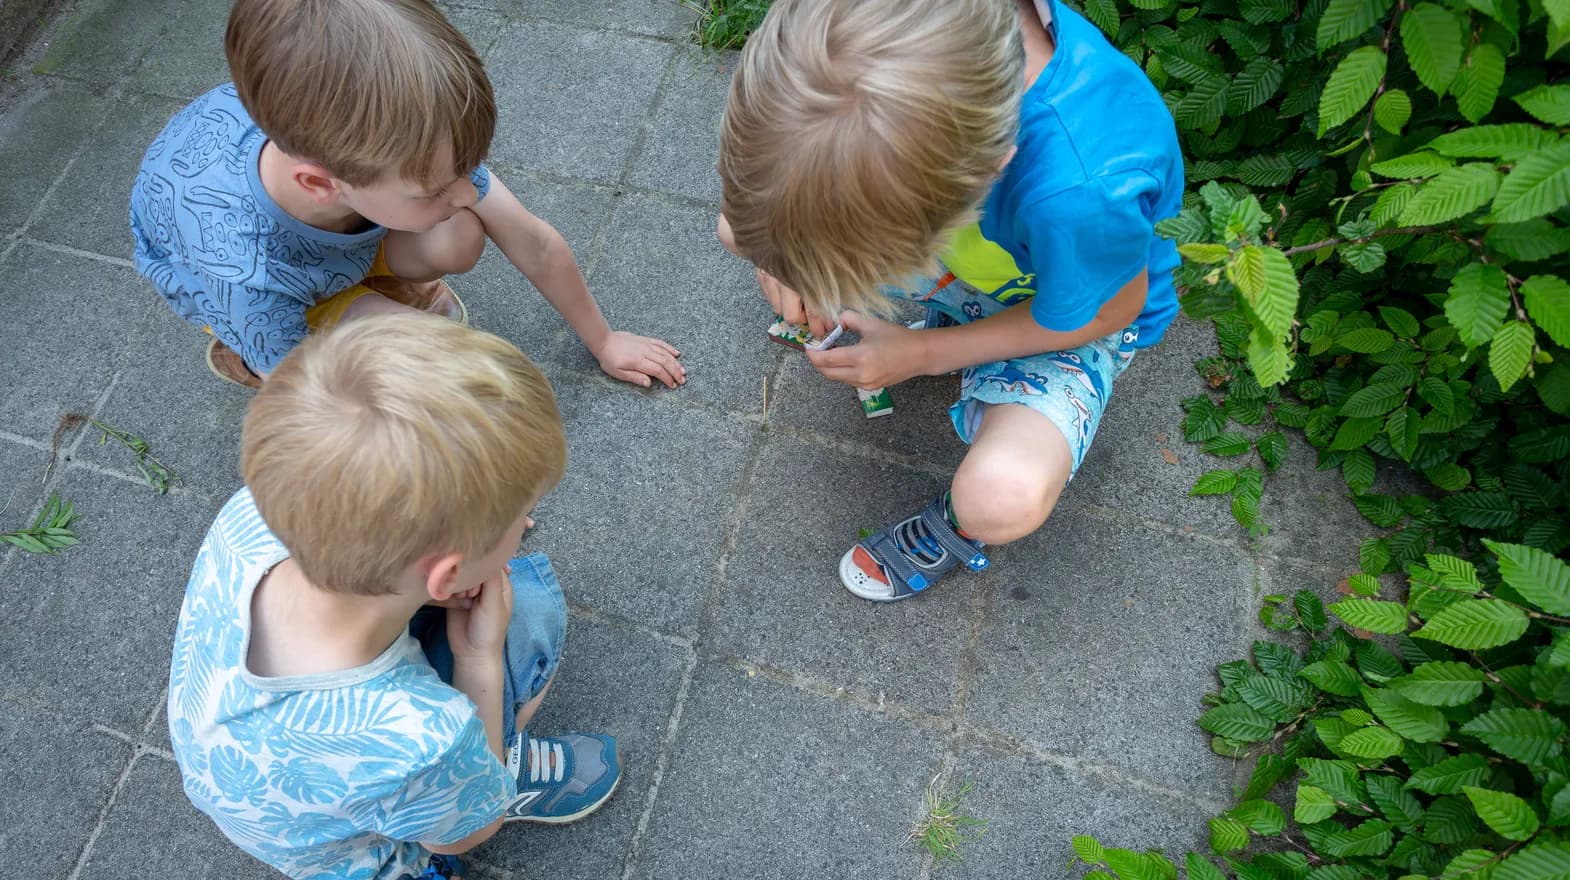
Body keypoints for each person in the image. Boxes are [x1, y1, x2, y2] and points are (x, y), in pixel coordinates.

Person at [716, 0, 1183, 601]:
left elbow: (1107, 312)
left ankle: (960, 523)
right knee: (741, 231)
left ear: (996, 167)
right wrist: (793, 262)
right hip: (970, 249)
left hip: (1074, 313)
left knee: (1003, 496)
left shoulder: (1082, 193)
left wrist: (925, 353)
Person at [167, 313, 619, 880]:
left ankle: (449, 785)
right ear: (447, 575)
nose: (524, 521)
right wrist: (478, 657)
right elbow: (468, 837)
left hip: (250, 780)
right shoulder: (424, 740)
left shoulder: (248, 518)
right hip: (362, 856)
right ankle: (485, 776)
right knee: (529, 608)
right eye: (520, 514)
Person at [130, 0, 683, 390]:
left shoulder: (383, 144)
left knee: (460, 234)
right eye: (435, 188)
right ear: (321, 183)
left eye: (464, 168)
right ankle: (252, 349)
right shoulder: (243, 274)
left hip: (333, 236)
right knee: (432, 365)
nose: (465, 189)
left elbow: (533, 242)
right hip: (273, 290)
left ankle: (371, 287)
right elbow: (307, 410)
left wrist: (604, 340)